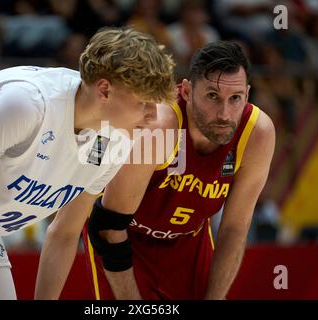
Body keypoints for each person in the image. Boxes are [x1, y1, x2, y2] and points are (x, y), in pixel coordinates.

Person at [0, 26, 175, 300]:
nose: (153, 116)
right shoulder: (26, 105)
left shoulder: (115, 142)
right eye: (144, 103)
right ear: (104, 90)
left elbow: (64, 233)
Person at [83, 41, 275, 299]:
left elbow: (234, 228)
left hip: (189, 242)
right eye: (212, 96)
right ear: (186, 91)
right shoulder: (159, 129)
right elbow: (108, 226)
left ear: (247, 95)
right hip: (125, 237)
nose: (224, 113)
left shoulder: (257, 134)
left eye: (235, 98)